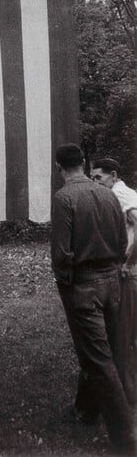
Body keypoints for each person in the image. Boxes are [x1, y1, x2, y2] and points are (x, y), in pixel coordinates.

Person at [51, 143, 135, 454]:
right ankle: (86, 410)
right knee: (107, 351)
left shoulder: (64, 198)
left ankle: (126, 437)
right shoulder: (108, 193)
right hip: (112, 281)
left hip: (83, 284)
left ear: (59, 167)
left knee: (99, 359)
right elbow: (121, 240)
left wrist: (65, 284)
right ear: (84, 163)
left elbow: (61, 254)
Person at [91, 157, 137, 406]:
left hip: (128, 273)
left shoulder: (119, 194)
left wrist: (128, 262)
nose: (95, 182)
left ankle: (128, 395)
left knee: (122, 335)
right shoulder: (125, 192)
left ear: (114, 175)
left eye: (99, 177)